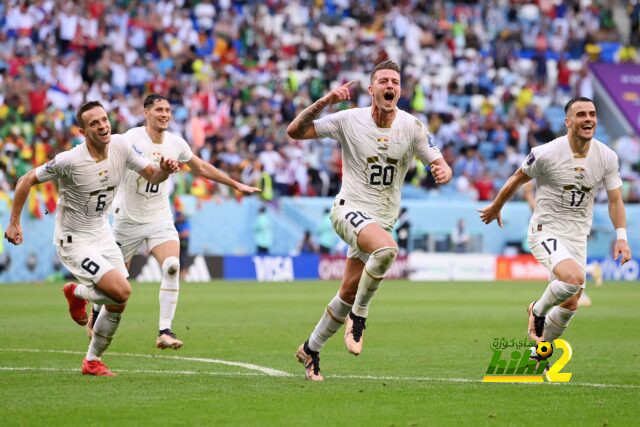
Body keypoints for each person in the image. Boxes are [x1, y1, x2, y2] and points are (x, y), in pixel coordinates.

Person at [287, 60, 453, 381]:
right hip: (348, 208)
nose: (390, 86)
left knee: (348, 290)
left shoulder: (412, 126)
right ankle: (360, 317)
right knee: (387, 251)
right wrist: (325, 102)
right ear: (371, 89)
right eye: (383, 81)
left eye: (395, 82)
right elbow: (295, 131)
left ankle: (311, 349)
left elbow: (437, 158)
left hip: (381, 219)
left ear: (400, 90)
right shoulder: (349, 119)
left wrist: (442, 168)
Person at [4, 101, 179, 376]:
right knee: (122, 290)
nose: (102, 125)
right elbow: (26, 180)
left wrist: (166, 170)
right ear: (82, 131)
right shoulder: (69, 161)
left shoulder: (121, 147)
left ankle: (92, 360)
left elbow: (152, 175)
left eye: (104, 119)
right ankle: (76, 292)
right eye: (94, 123)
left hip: (102, 234)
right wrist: (14, 222)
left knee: (118, 301)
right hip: (74, 241)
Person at [89, 94, 260, 350]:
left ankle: (165, 331)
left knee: (171, 265)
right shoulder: (128, 140)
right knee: (116, 286)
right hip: (127, 220)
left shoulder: (176, 143)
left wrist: (235, 184)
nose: (165, 114)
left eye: (168, 110)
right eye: (159, 109)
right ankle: (93, 309)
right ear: (146, 112)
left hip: (159, 218)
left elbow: (200, 167)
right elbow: (100, 155)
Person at [478, 97, 631, 352]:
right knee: (573, 277)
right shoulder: (546, 153)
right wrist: (496, 206)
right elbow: (516, 179)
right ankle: (536, 310)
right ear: (568, 121)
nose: (588, 119)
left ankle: (539, 351)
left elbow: (615, 200)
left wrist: (622, 237)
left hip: (577, 236)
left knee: (571, 303)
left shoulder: (607, 157)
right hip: (545, 230)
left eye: (592, 114)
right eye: (581, 114)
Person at [174, 210, 191, 280]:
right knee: (176, 259)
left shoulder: (186, 223)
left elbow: (185, 234)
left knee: (183, 259)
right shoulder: (175, 223)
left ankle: (183, 275)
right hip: (176, 243)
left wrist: (178, 234)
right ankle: (179, 275)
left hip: (184, 243)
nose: (181, 217)